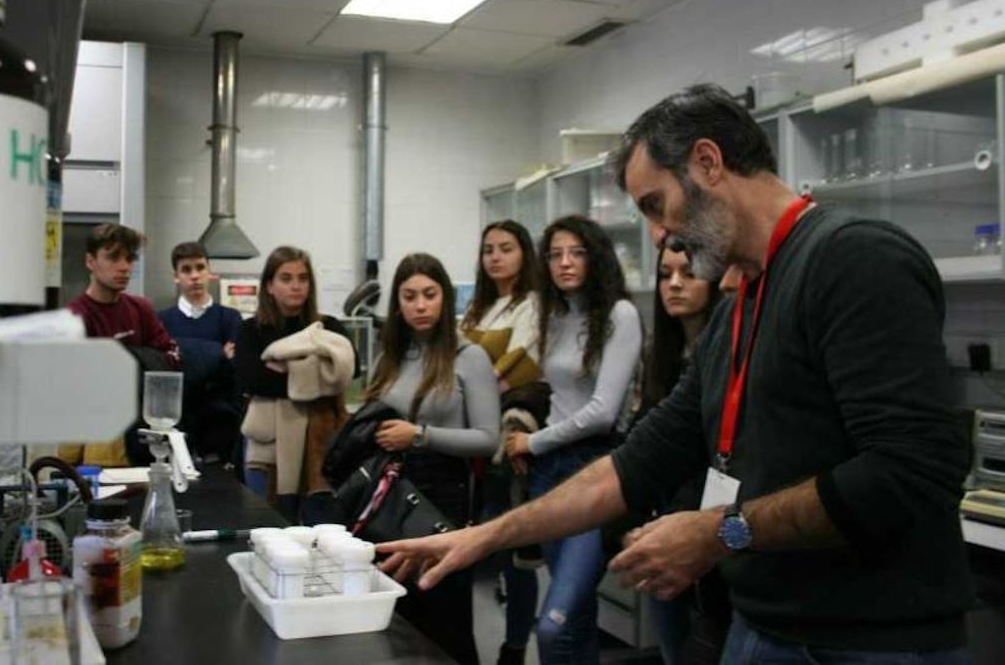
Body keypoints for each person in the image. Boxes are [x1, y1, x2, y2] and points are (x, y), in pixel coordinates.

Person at [379, 83, 974, 664]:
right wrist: (482, 537)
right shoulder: (737, 311)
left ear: (708, 163)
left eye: (655, 205)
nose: (660, 236)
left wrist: (721, 531)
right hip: (764, 626)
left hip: (869, 641)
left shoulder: (853, 258)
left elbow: (912, 471)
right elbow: (638, 462)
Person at [500, 214, 643, 664]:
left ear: (595, 257)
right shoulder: (555, 315)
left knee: (554, 626)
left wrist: (534, 442)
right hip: (549, 472)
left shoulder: (620, 315)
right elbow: (557, 394)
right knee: (577, 620)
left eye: (576, 253)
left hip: (594, 469)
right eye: (555, 254)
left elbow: (602, 413)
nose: (564, 263)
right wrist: (526, 433)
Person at [362, 252, 500, 665]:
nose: (420, 305)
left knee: (446, 616)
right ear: (397, 304)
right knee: (397, 616)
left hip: (444, 497)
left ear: (445, 298)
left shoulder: (468, 356)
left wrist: (420, 435)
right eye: (409, 297)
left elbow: (488, 439)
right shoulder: (390, 355)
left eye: (429, 294)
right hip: (391, 494)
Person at [461, 220, 543, 665]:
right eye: (488, 249)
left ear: (524, 253)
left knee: (514, 548)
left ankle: (514, 646)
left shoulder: (533, 304)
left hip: (507, 441)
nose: (495, 257)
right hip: (471, 436)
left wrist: (472, 386)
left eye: (506, 248)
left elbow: (518, 367)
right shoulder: (479, 308)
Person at [642, 246, 728, 665]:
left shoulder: (726, 351)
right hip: (663, 520)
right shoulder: (661, 354)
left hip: (716, 523)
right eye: (665, 274)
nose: (674, 284)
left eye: (688, 273)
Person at [234, 246, 357, 524]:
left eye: (303, 278)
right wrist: (316, 370)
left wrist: (285, 369)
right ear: (269, 285)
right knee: (269, 525)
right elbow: (254, 380)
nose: (296, 286)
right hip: (267, 449)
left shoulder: (329, 327)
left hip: (322, 444)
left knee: (324, 527)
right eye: (286, 278)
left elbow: (349, 370)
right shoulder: (251, 330)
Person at [62, 223, 181, 467]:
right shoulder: (75, 317)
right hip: (100, 443)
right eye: (113, 257)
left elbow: (172, 360)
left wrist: (122, 359)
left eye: (129, 258)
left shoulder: (140, 308)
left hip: (143, 436)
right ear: (90, 261)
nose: (124, 267)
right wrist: (141, 361)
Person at [157, 241, 243, 468]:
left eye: (200, 267)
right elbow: (163, 369)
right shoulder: (161, 321)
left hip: (220, 427)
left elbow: (233, 372)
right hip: (176, 426)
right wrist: (217, 354)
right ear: (176, 276)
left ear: (209, 272)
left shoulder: (230, 318)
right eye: (186, 269)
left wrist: (183, 353)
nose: (194, 276)